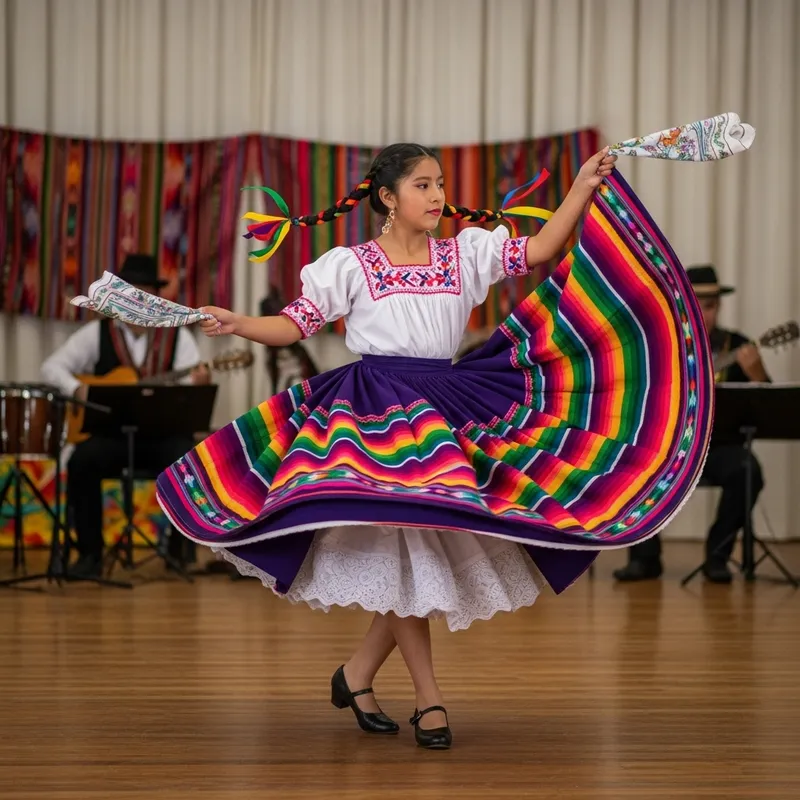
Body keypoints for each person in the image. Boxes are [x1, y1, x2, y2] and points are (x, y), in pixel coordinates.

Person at [155, 143, 713, 750]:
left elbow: (542, 248)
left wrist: (581, 185)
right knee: (413, 546)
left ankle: (358, 675)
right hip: (374, 413)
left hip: (444, 407)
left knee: (414, 551)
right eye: (423, 185)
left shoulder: (464, 253)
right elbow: (295, 324)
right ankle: (430, 700)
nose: (438, 195)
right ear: (388, 198)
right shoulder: (351, 265)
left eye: (440, 183)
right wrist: (236, 321)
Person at [41, 254, 210, 579]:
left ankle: (179, 549)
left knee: (187, 458)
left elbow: (189, 393)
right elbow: (51, 368)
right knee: (82, 462)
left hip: (160, 438)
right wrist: (78, 390)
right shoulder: (97, 334)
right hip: (112, 437)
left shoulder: (179, 338)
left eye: (144, 295)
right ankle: (89, 554)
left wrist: (195, 385)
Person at [613, 265, 769, 584]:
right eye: (698, 304)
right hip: (670, 450)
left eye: (710, 306)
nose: (705, 314)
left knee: (748, 470)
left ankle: (718, 555)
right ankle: (645, 559)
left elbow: (767, 409)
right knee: (633, 464)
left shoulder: (738, 346)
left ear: (719, 308)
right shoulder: (662, 343)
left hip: (718, 449)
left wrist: (756, 374)